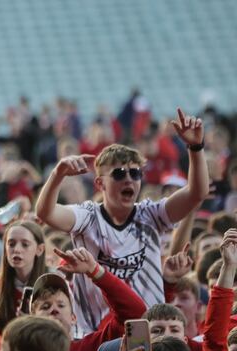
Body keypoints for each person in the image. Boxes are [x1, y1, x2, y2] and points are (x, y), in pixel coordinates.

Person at [35, 108, 209, 333]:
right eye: (118, 174)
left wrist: (196, 148)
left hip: (149, 332)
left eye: (135, 174)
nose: (129, 179)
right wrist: (57, 174)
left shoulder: (151, 214)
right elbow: (45, 213)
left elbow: (197, 193)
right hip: (97, 335)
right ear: (99, 184)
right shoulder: (87, 217)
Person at [0, 220, 47, 332]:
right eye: (11, 244)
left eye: (25, 244)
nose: (17, 249)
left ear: (39, 249)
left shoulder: (52, 281)